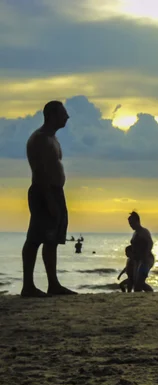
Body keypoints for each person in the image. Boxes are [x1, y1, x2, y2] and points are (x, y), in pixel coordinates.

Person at [21, 100, 77, 298]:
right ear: (52, 115)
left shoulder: (53, 138)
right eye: (63, 113)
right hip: (43, 192)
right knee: (35, 238)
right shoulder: (40, 139)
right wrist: (49, 199)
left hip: (55, 192)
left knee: (52, 239)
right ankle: (28, 285)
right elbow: (40, 172)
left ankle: (53, 284)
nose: (67, 117)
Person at [128, 211, 155, 292]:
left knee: (139, 283)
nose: (131, 225)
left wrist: (145, 257)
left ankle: (151, 294)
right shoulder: (135, 233)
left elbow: (150, 243)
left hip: (146, 260)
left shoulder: (144, 232)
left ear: (137, 221)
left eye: (132, 223)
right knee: (136, 282)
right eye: (130, 223)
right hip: (137, 260)